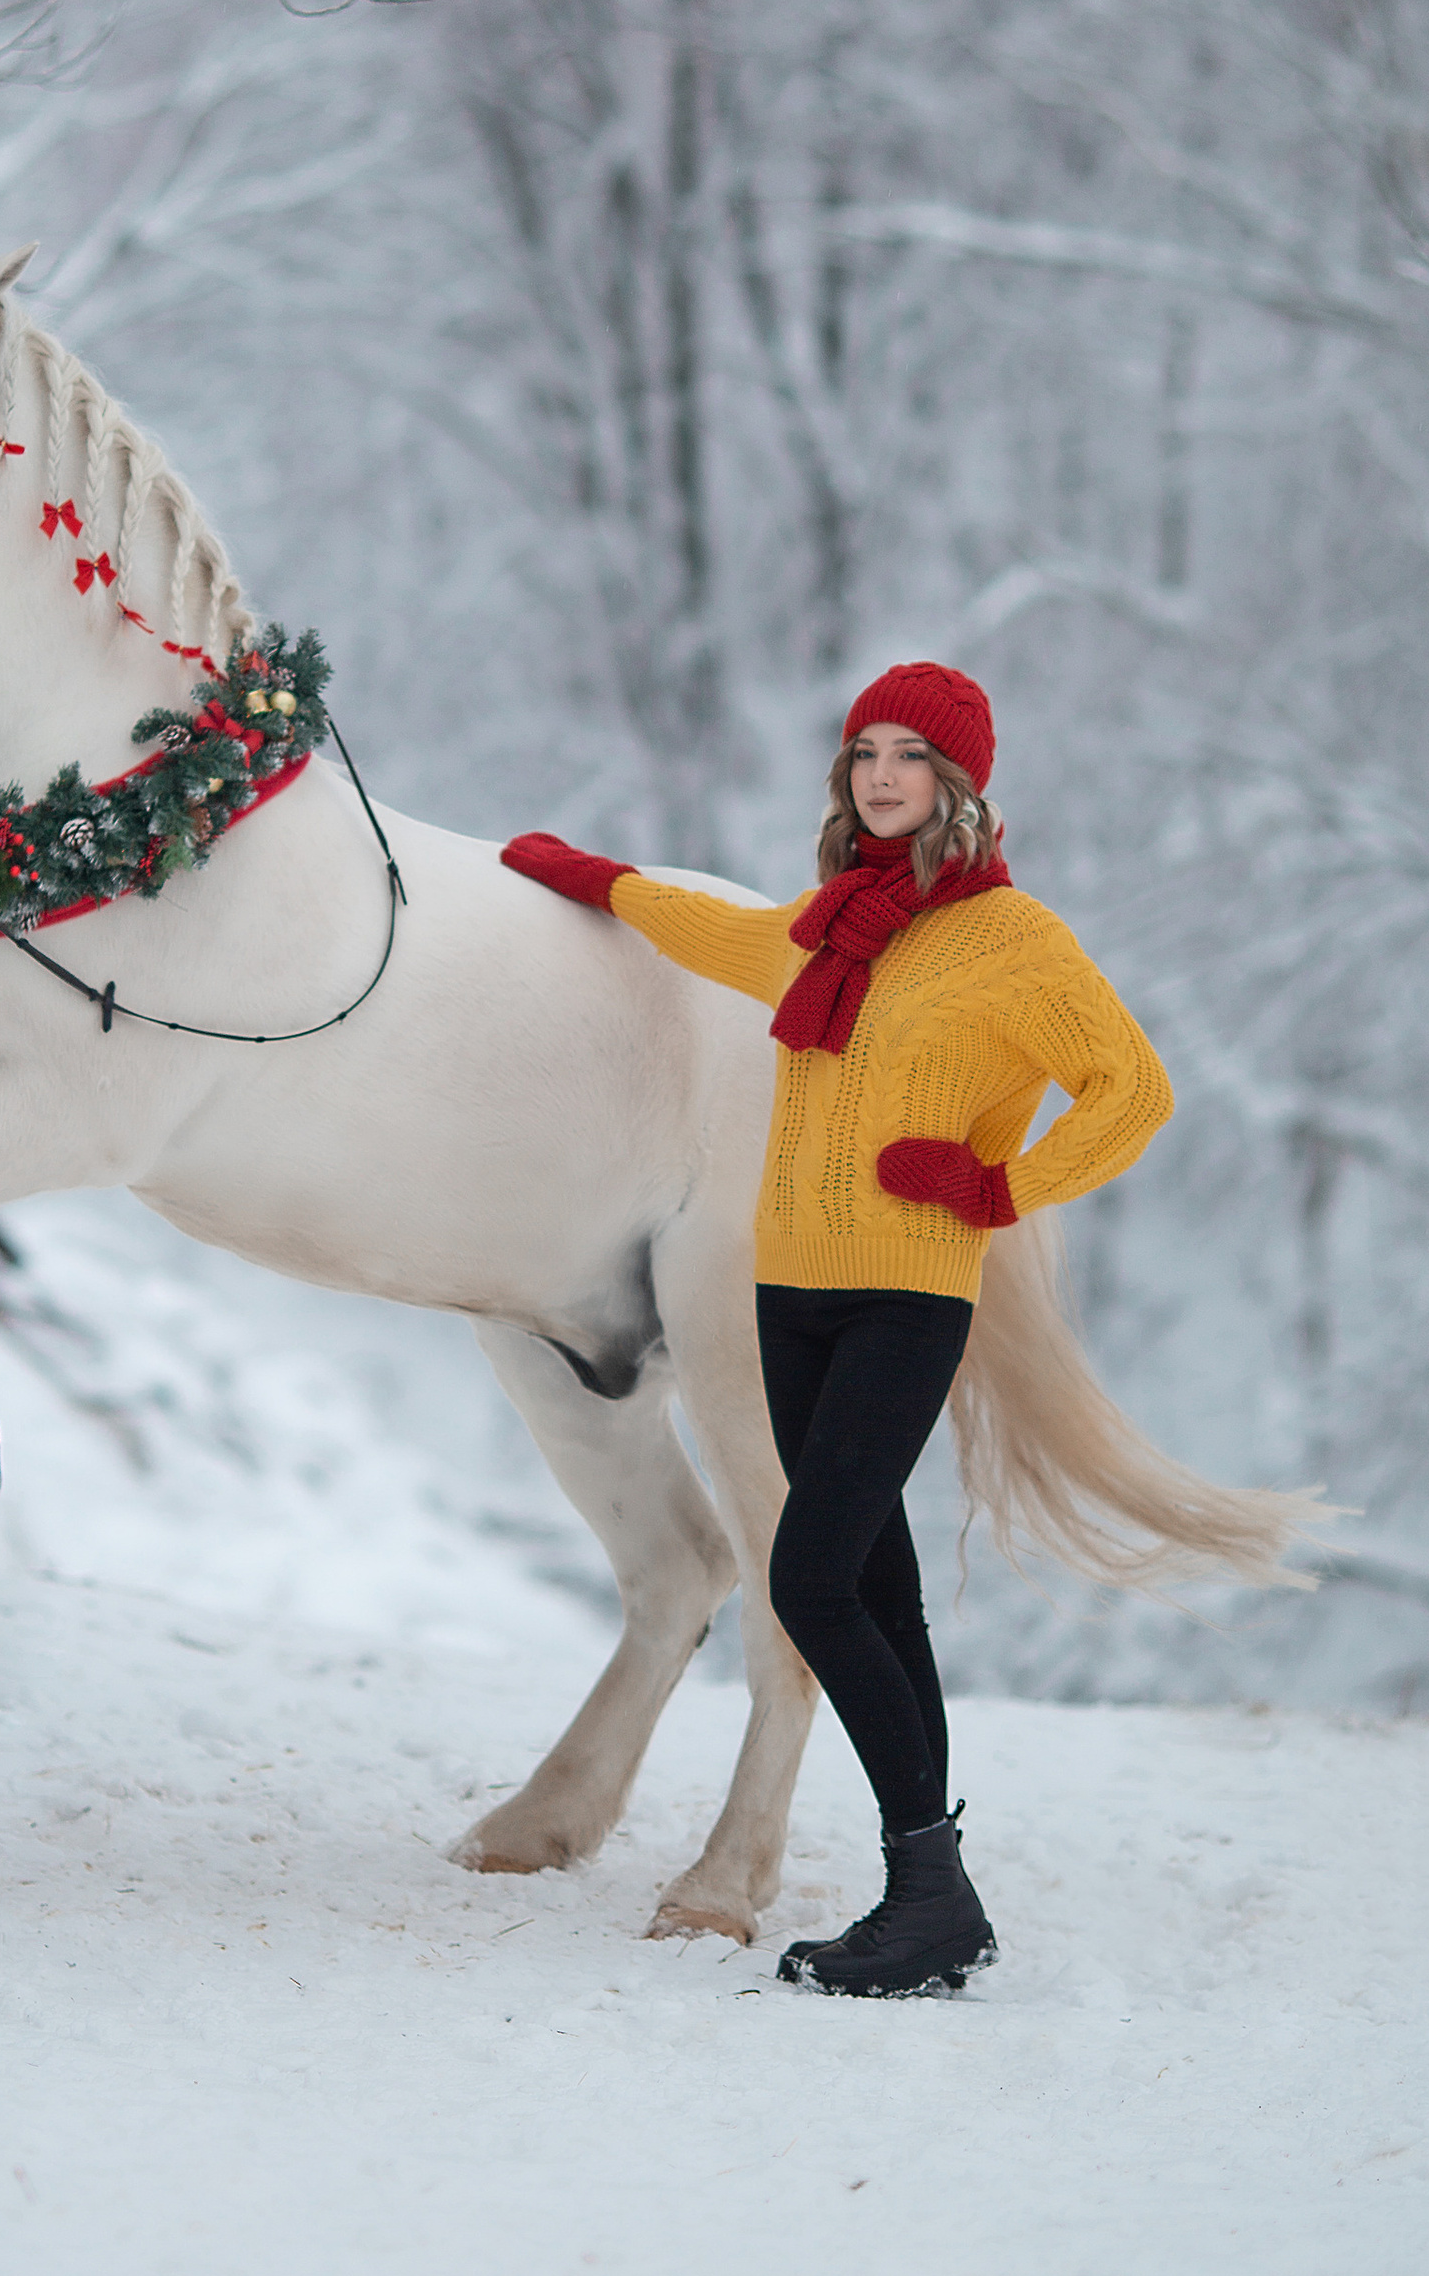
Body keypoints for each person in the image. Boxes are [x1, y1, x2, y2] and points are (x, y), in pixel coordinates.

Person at [500, 661, 1172, 1999]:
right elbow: (706, 932)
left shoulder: (1016, 943)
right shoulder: (832, 929)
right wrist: (592, 879)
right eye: (864, 749)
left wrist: (1000, 1187)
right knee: (876, 1588)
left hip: (907, 1292)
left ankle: (931, 1884)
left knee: (804, 1579)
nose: (879, 774)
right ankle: (932, 1901)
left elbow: (1131, 1093)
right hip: (786, 1293)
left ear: (958, 784)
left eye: (911, 754)